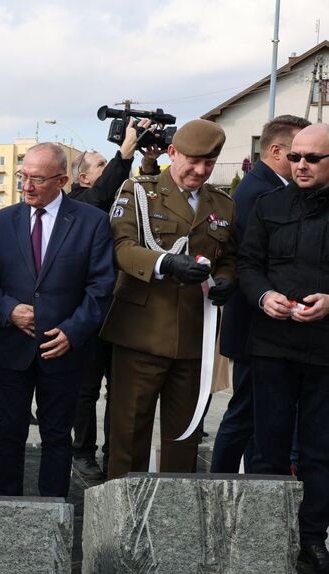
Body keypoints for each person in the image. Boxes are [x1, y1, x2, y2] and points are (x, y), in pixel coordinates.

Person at [0, 142, 114, 498]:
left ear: (63, 180)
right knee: (8, 433)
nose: (27, 187)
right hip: (11, 348)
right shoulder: (1, 222)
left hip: (61, 349)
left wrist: (72, 331)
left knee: (56, 436)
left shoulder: (91, 222)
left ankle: (53, 513)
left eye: (37, 179)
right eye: (23, 177)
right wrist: (8, 309)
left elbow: (101, 286)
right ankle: (6, 509)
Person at [100, 120, 236, 479]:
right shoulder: (138, 192)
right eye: (193, 160)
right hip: (140, 334)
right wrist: (165, 262)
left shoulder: (221, 204)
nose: (201, 170)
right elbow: (122, 248)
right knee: (129, 435)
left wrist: (225, 281)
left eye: (209, 162)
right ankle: (125, 517)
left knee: (184, 436)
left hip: (194, 336)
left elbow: (230, 258)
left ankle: (174, 517)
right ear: (172, 153)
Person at [238, 123, 329, 574]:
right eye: (295, 157)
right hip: (272, 344)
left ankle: (312, 538)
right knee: (268, 447)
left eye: (312, 159)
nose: (301, 166)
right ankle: (263, 536)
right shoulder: (268, 204)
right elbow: (247, 264)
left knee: (319, 449)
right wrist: (262, 296)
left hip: (325, 349)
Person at [211, 115, 311, 474]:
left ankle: (248, 486)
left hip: (263, 324)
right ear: (276, 149)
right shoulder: (262, 193)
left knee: (255, 417)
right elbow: (254, 261)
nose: (302, 162)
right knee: (245, 413)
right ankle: (219, 482)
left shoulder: (266, 185)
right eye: (297, 153)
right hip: (258, 324)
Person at [68, 123, 163, 480]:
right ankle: (82, 451)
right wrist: (123, 153)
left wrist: (149, 164)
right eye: (101, 166)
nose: (109, 170)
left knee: (120, 388)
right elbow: (101, 198)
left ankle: (116, 454)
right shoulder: (78, 201)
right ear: (84, 177)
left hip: (123, 308)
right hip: (90, 311)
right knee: (86, 389)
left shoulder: (116, 195)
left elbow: (145, 196)